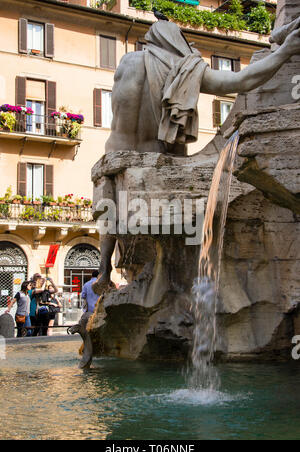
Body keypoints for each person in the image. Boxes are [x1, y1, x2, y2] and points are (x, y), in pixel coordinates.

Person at [93, 18, 300, 295]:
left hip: (114, 154)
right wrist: (285, 51)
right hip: (158, 159)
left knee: (109, 210)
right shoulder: (185, 68)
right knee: (178, 230)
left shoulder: (128, 62)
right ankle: (182, 286)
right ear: (176, 41)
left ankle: (104, 269)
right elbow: (242, 79)